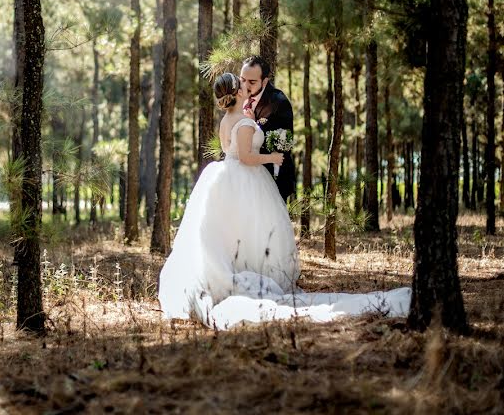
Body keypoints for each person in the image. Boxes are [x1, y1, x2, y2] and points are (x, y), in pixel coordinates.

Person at [158, 72, 410, 330]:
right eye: (242, 85)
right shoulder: (243, 123)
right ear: (237, 92)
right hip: (247, 178)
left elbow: (232, 152)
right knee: (255, 229)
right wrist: (272, 158)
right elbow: (245, 156)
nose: (246, 87)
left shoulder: (226, 120)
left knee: (239, 231)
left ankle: (245, 266)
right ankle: (258, 273)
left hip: (229, 176)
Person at [240, 56, 296, 203]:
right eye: (242, 79)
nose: (245, 85)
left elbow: (283, 141)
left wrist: (254, 125)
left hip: (272, 179)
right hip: (245, 177)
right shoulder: (239, 97)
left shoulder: (279, 102)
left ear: (264, 81)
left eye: (252, 82)